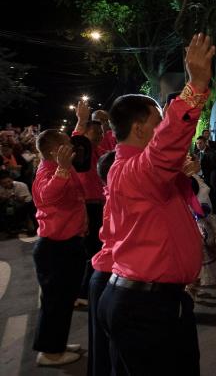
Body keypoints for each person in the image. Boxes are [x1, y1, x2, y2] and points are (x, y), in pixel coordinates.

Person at [97, 33, 214, 375]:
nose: (163, 127)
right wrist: (194, 88)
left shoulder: (138, 172)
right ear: (139, 129)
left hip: (153, 302)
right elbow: (164, 148)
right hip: (145, 307)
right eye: (157, 121)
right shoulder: (131, 171)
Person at [31, 130, 87, 366]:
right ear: (56, 151)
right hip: (55, 248)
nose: (71, 146)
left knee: (63, 302)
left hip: (67, 244)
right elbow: (48, 195)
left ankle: (56, 345)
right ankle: (50, 353)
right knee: (55, 303)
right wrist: (62, 169)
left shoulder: (60, 168)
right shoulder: (47, 172)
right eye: (66, 144)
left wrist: (81, 123)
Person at [73, 103, 106, 305]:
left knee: (96, 248)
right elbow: (76, 139)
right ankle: (81, 292)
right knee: (88, 250)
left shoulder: (101, 150)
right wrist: (81, 120)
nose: (100, 135)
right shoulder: (81, 152)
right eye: (96, 132)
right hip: (85, 207)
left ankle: (87, 289)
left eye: (102, 131)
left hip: (99, 206)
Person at [88, 150, 116, 376]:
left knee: (104, 351)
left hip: (105, 276)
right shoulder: (118, 199)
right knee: (109, 353)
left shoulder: (113, 195)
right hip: (110, 276)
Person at [0, 168, 34, 235]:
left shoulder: (21, 185)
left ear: (12, 180)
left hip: (26, 203)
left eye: (9, 181)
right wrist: (4, 198)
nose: (7, 184)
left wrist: (13, 197)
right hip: (10, 202)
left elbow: (22, 200)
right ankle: (11, 227)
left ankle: (25, 224)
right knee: (7, 209)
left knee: (16, 209)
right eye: (4, 183)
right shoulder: (1, 188)